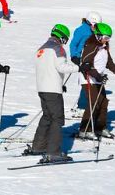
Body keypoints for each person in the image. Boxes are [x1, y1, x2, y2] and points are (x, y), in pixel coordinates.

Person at [27, 24, 84, 163]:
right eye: (65, 39)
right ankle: (53, 152)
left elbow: (47, 68)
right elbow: (61, 67)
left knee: (47, 117)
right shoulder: (58, 48)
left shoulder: (41, 49)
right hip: (53, 90)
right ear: (61, 37)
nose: (65, 42)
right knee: (57, 119)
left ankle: (38, 146)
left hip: (42, 88)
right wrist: (79, 68)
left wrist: (58, 83)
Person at [78, 22, 115, 139]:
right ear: (98, 35)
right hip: (88, 78)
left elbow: (109, 63)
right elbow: (86, 64)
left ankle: (100, 127)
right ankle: (85, 129)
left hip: (98, 79)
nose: (107, 40)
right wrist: (97, 76)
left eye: (109, 38)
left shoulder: (103, 47)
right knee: (94, 103)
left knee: (103, 102)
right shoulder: (91, 46)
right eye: (105, 37)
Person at [69, 11, 102, 114]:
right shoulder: (81, 30)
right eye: (95, 25)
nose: (96, 27)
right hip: (81, 59)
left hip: (91, 59)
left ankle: (88, 105)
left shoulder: (93, 31)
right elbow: (73, 44)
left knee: (91, 81)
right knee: (87, 82)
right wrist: (74, 56)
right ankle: (82, 107)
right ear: (90, 22)